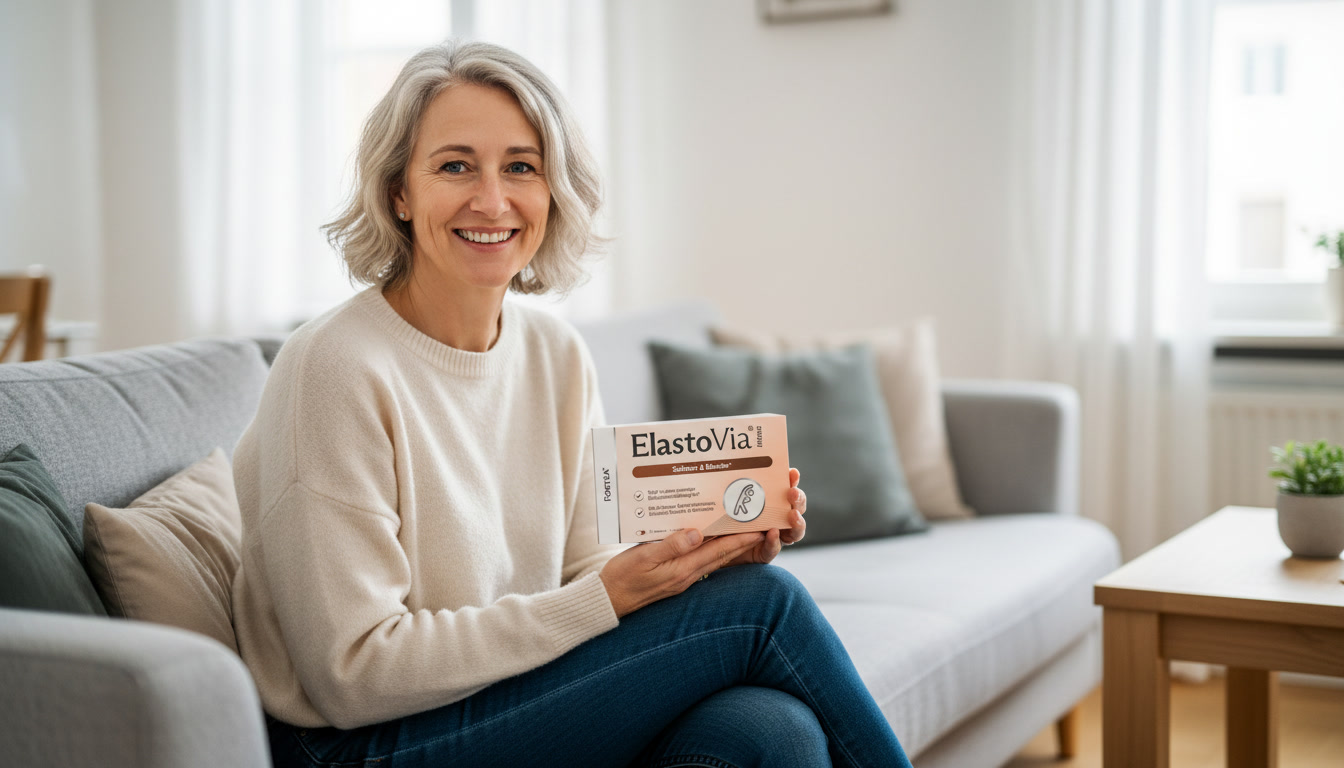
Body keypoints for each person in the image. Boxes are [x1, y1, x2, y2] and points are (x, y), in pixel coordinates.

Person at [230, 40, 913, 768]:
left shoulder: (555, 353)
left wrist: (698, 562)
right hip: (357, 742)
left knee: (771, 730)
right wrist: (606, 602)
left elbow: (590, 567)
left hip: (501, 696)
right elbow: (355, 674)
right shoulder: (334, 366)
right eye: (455, 165)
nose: (492, 200)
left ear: (553, 192)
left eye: (521, 167)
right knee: (767, 606)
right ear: (399, 190)